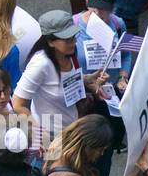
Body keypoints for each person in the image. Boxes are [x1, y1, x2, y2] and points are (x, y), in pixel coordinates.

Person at [13, 10, 110, 159]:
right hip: (50, 139)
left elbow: (66, 81)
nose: (73, 42)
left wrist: (88, 80)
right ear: (50, 41)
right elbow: (18, 103)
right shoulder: (41, 64)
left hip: (72, 129)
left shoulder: (70, 53)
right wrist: (38, 131)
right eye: (67, 39)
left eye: (73, 37)